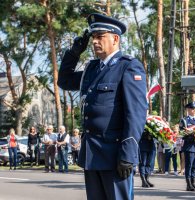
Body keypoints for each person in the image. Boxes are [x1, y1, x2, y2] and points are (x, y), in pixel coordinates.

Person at [58, 13, 147, 200]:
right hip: (92, 153)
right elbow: (64, 80)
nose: (94, 42)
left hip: (115, 154)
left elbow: (136, 114)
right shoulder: (92, 69)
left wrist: (128, 154)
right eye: (93, 38)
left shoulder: (128, 67)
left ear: (115, 39)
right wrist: (74, 53)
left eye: (100, 37)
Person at [179, 101, 195, 192]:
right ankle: (188, 184)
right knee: (189, 165)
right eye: (192, 109)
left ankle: (193, 182)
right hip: (189, 146)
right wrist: (190, 134)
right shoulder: (184, 120)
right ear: (188, 110)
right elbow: (182, 133)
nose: (194, 110)